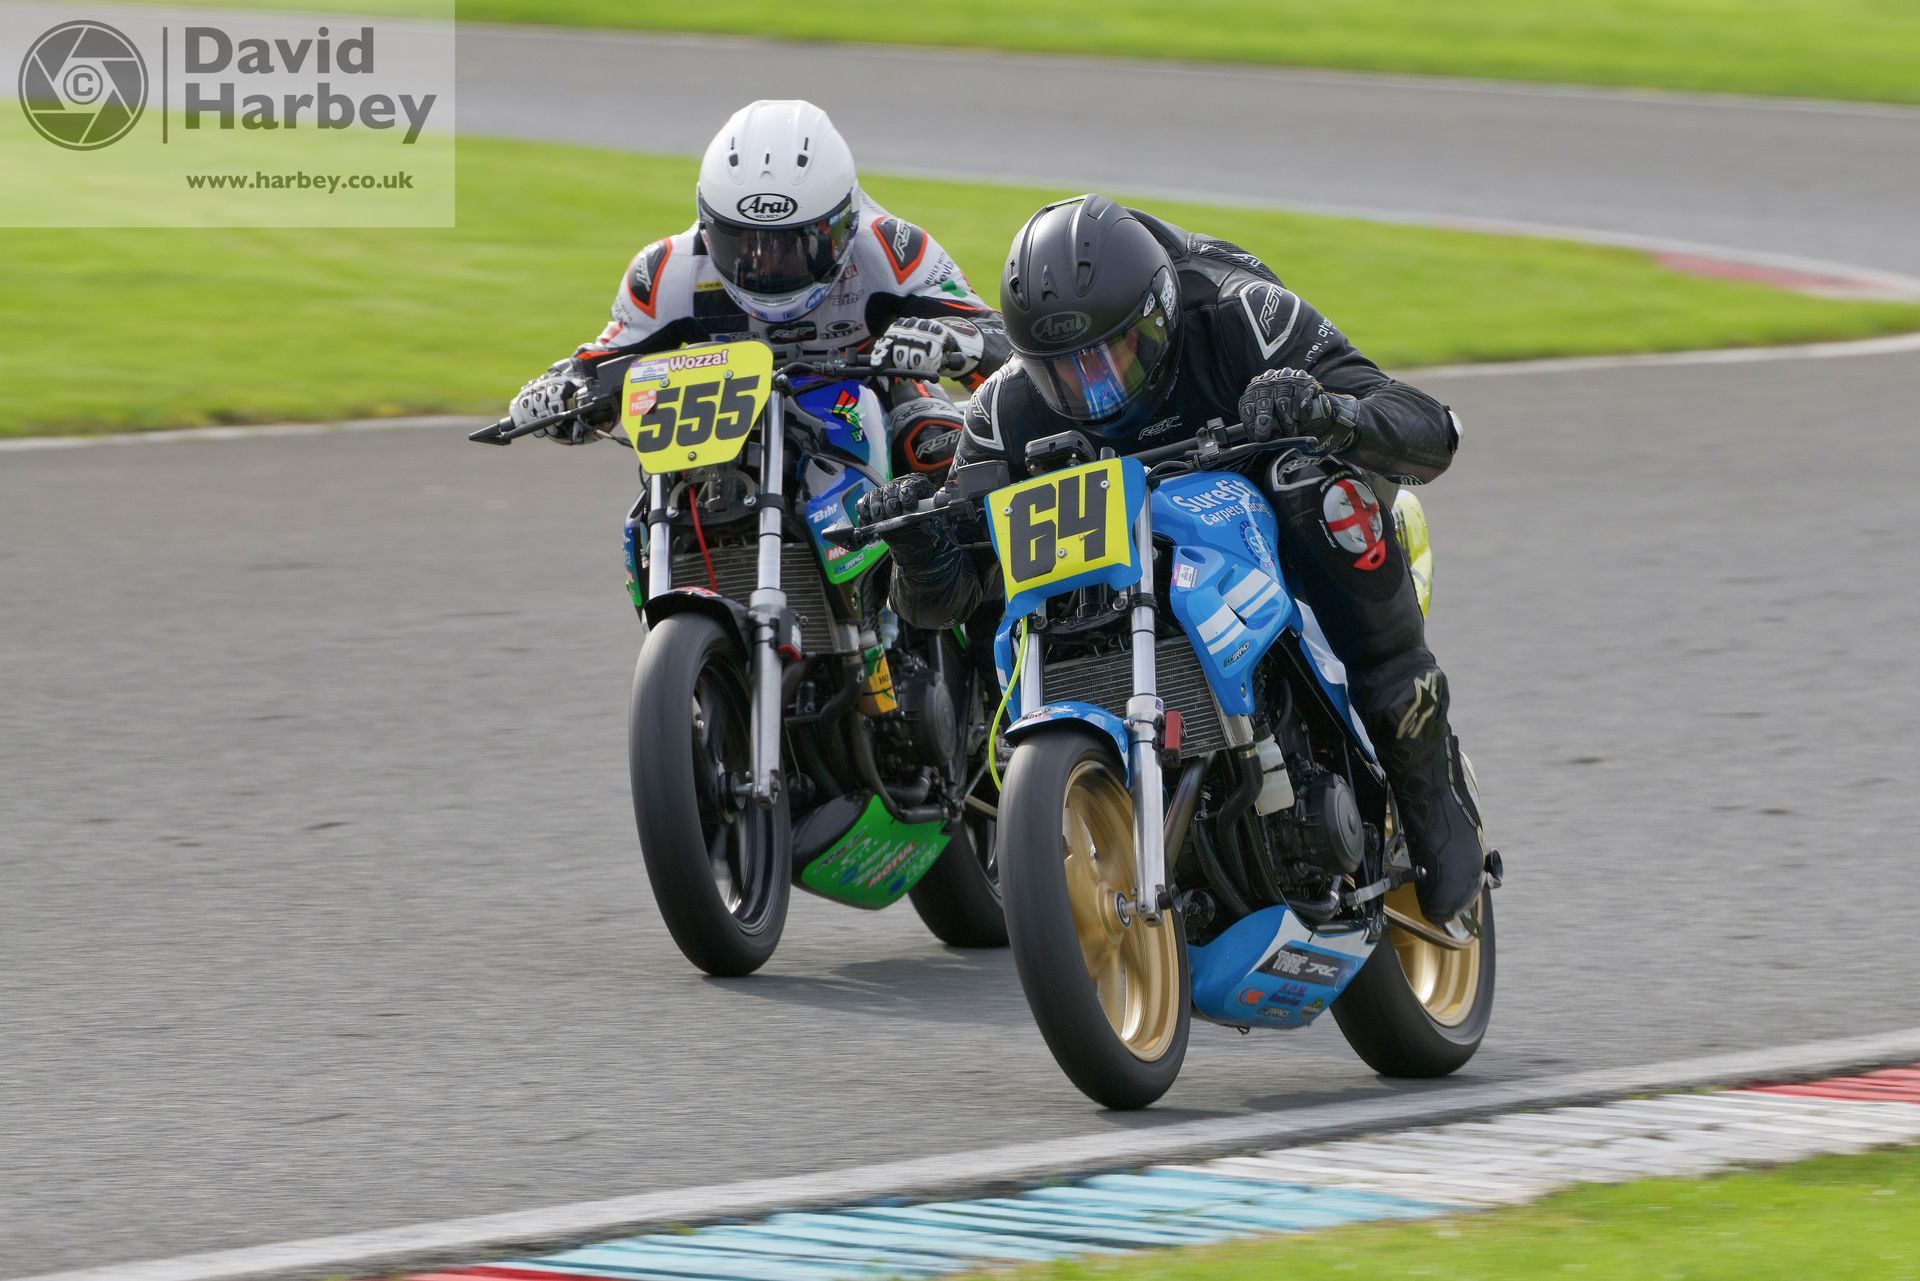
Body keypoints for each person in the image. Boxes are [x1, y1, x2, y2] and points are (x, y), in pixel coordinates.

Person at [859, 194, 1486, 924]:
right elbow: (952, 595)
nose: (1091, 391)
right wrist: (920, 543)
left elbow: (1430, 429)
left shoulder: (1242, 315)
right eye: (1063, 373)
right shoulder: (1006, 409)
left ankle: (1422, 767)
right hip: (1125, 543)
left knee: (1317, 485)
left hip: (1257, 496)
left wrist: (1326, 412)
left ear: (1156, 318)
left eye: (1110, 358)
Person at [507, 99, 1008, 477]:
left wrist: (954, 342)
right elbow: (599, 363)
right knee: (668, 486)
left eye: (793, 246)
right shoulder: (666, 270)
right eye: (742, 244)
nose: (766, 266)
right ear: (707, 225)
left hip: (876, 392)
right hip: (721, 413)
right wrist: (561, 392)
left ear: (843, 223)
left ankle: (965, 606)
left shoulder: (893, 249)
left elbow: (1004, 347)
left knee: (940, 451)